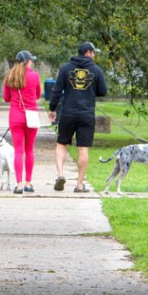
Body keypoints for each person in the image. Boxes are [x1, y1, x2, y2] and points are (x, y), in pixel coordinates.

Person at [48, 42, 108, 193]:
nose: (94, 55)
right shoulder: (96, 70)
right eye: (93, 52)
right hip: (86, 114)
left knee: (61, 144)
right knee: (83, 148)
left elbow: (56, 90)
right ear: (88, 52)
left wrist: (52, 108)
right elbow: (103, 91)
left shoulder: (66, 68)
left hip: (68, 113)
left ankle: (60, 174)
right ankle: (80, 185)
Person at [2, 50, 42, 194]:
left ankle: (18, 184)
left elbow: (6, 97)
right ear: (27, 61)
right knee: (29, 150)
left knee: (18, 151)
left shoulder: (10, 76)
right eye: (31, 60)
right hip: (31, 115)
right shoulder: (34, 76)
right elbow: (37, 95)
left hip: (15, 116)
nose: (32, 62)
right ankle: (28, 183)